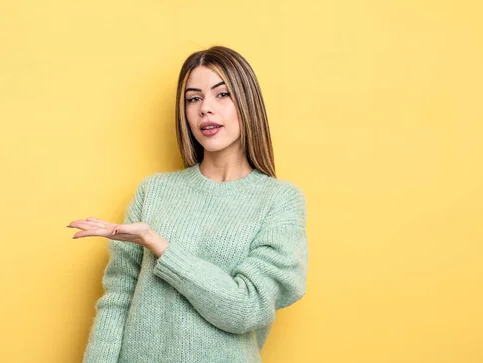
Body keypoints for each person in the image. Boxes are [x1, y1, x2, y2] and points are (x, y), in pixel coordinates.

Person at [67, 45, 308, 363]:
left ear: (248, 103)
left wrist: (158, 245)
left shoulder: (280, 201)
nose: (206, 109)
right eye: (193, 98)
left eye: (222, 94)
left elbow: (246, 308)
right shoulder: (154, 191)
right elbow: (118, 298)